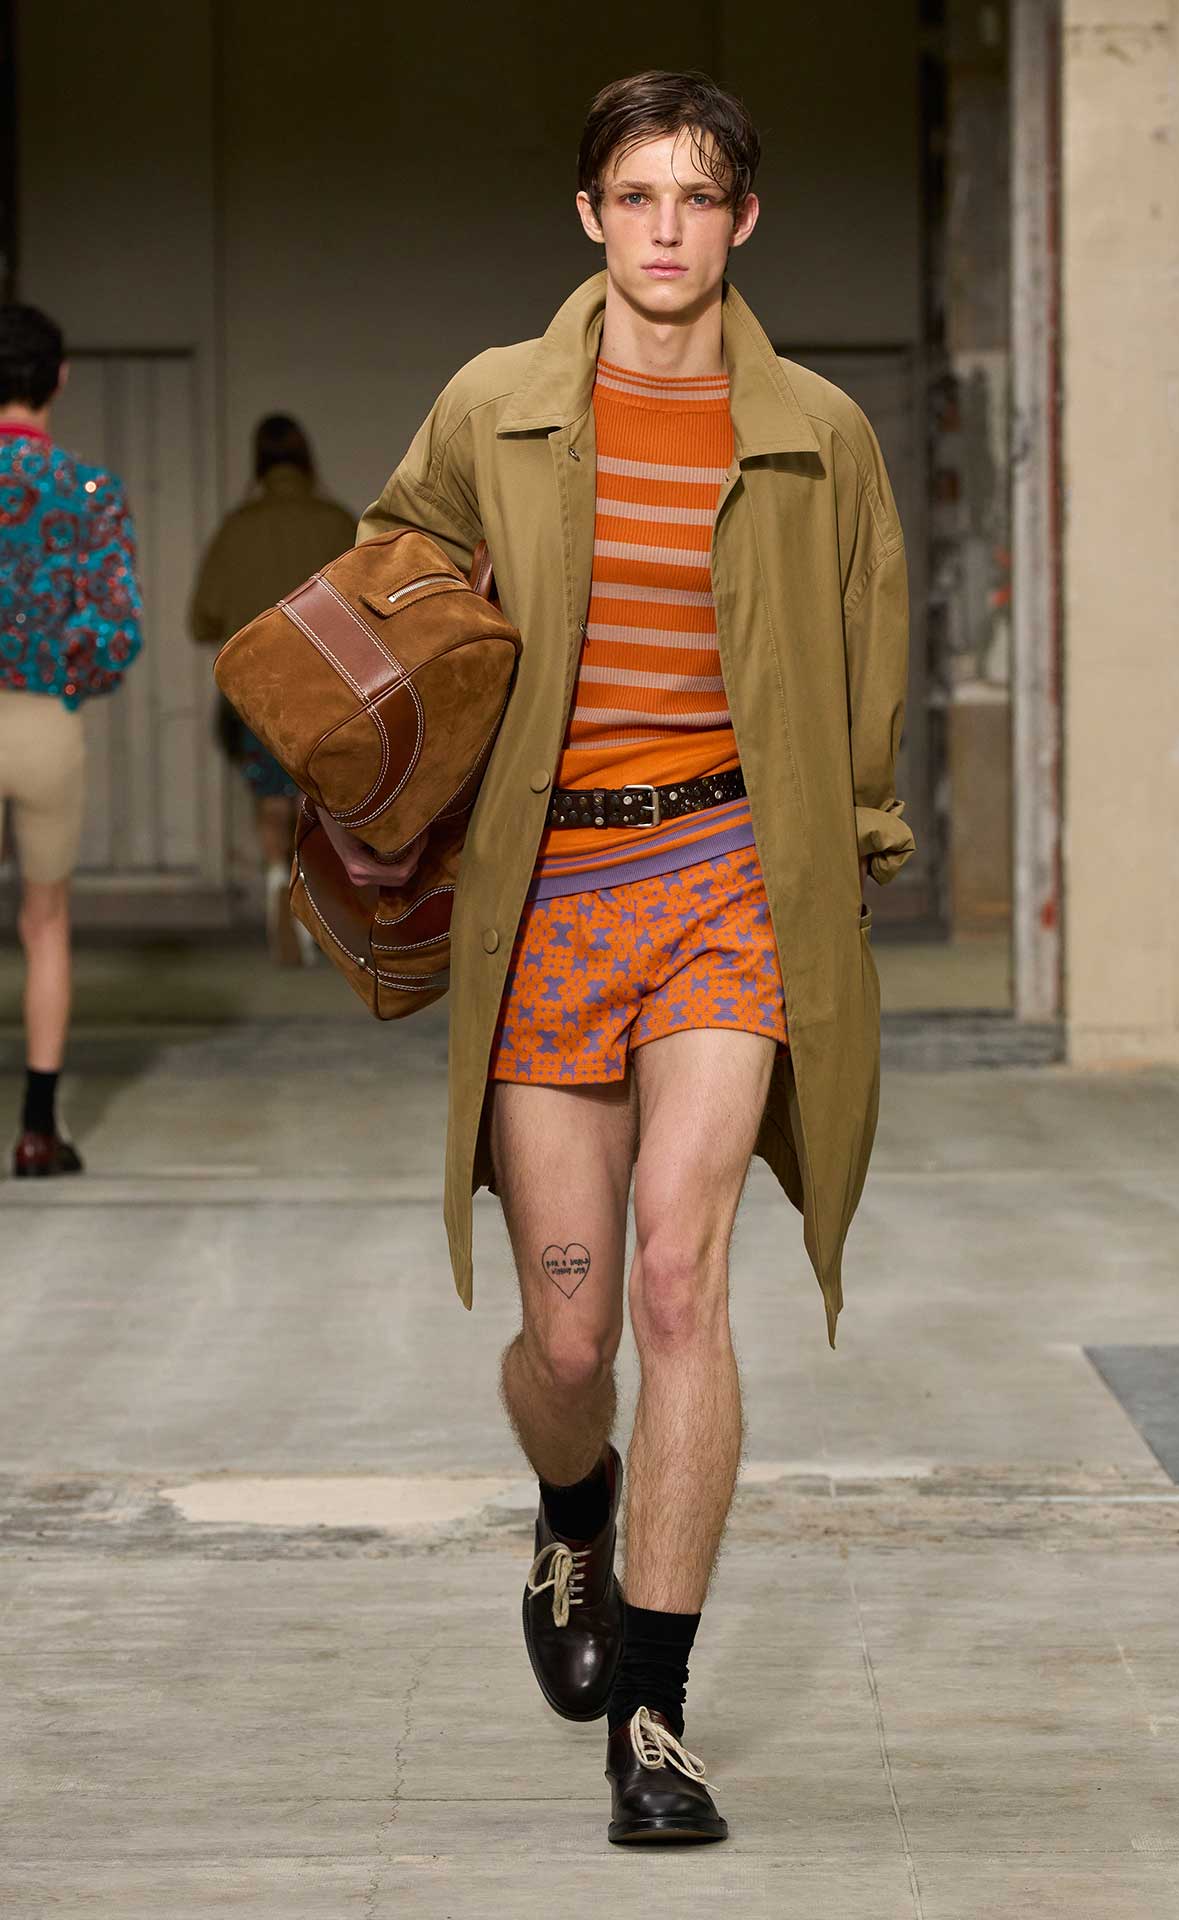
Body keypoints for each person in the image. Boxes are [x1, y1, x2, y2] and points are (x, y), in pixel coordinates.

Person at [324, 70, 914, 1844]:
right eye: (636, 196)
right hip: (551, 894)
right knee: (574, 1342)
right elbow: (383, 597)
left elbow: (865, 662)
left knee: (677, 1283)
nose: (667, 228)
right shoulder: (494, 406)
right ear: (590, 215)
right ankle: (573, 1509)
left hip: (730, 878)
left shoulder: (816, 432)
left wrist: (848, 854)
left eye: (698, 196)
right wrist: (381, 783)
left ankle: (654, 1720)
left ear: (746, 218)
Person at [0, 304, 143, 1178]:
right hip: (44, 723)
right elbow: (117, 627)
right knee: (45, 922)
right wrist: (66, 678)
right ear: (59, 377)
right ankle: (36, 1130)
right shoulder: (89, 489)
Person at [190, 415, 356, 964]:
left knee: (269, 800)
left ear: (258, 463)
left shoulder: (237, 529)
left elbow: (201, 618)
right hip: (327, 693)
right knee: (319, 801)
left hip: (256, 691)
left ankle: (274, 888)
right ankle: (315, 907)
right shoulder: (338, 524)